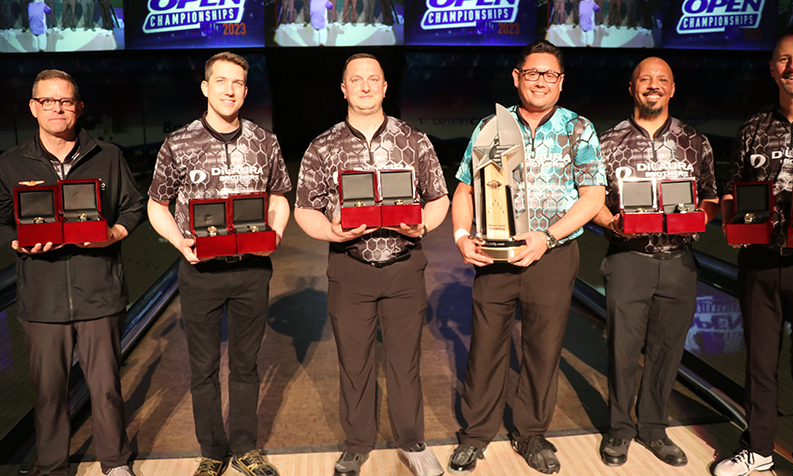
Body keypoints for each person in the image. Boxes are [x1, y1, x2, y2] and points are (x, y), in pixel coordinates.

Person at [448, 40, 606, 475]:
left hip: (553, 255)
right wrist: (462, 237)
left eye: (549, 74)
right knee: (485, 347)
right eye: (532, 73)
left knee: (543, 349)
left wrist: (547, 237)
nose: (541, 81)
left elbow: (593, 196)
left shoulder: (579, 130)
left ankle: (531, 433)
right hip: (495, 252)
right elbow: (464, 190)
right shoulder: (492, 127)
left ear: (560, 82)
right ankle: (476, 433)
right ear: (517, 78)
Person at [294, 53, 450, 476]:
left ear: (385, 87)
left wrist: (422, 226)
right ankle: (357, 443)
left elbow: (439, 199)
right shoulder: (321, 146)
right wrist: (331, 232)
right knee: (355, 359)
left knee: (405, 360)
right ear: (343, 89)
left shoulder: (414, 140)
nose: (364, 86)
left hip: (403, 265)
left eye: (373, 79)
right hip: (349, 266)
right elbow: (304, 209)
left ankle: (412, 442)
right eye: (355, 80)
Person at [147, 52, 291, 476]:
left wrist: (275, 236)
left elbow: (280, 196)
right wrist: (181, 243)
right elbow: (157, 205)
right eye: (222, 81)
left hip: (251, 270)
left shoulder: (266, 142)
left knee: (245, 365)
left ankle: (245, 447)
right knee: (204, 367)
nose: (230, 90)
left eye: (238, 83)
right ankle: (212, 450)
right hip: (200, 271)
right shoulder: (179, 142)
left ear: (246, 91)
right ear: (206, 88)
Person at [714, 26, 793, 476]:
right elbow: (733, 193)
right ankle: (759, 448)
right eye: (784, 60)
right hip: (760, 261)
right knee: (759, 363)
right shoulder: (754, 127)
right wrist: (731, 220)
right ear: (772, 69)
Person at [0, 70, 143, 476]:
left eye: (65, 101)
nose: (57, 108)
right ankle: (52, 466)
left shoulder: (108, 156)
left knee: (106, 388)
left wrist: (114, 232)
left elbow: (133, 207)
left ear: (79, 108)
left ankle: (115, 463)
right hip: (42, 299)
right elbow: (0, 220)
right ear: (33, 107)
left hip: (100, 292)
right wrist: (15, 242)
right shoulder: (10, 164)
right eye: (48, 101)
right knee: (48, 394)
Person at [592, 57, 719, 468]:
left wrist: (699, 217)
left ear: (672, 88)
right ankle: (619, 429)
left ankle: (652, 427)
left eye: (661, 80)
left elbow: (711, 197)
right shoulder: (606, 141)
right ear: (632, 88)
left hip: (679, 260)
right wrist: (612, 221)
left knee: (667, 350)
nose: (653, 85)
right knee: (623, 351)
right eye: (645, 79)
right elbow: (591, 200)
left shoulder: (694, 140)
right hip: (629, 259)